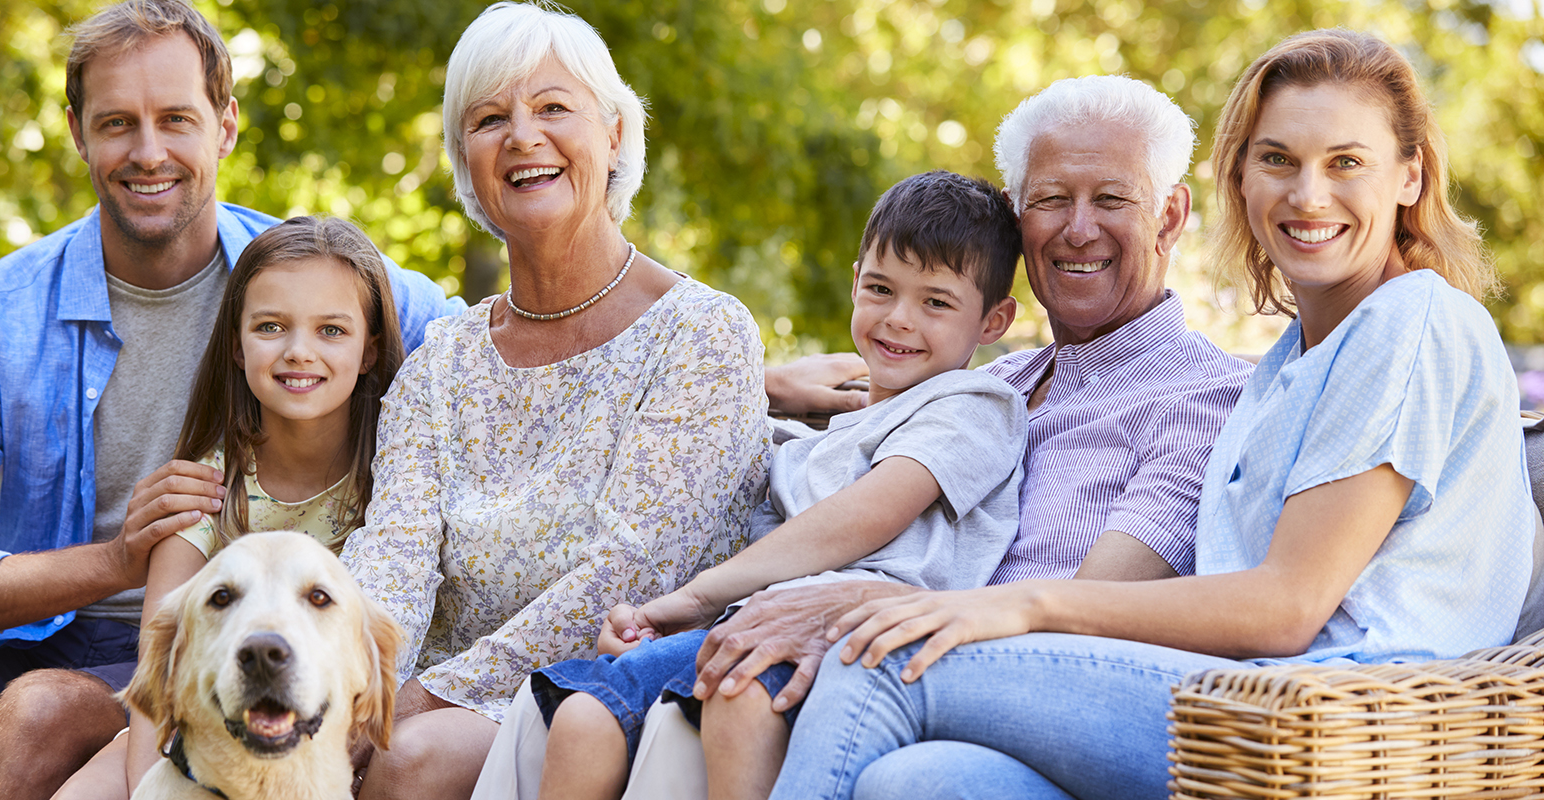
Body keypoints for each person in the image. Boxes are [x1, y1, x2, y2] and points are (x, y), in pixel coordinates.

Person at [770, 29, 1531, 800]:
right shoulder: (1291, 364)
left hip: (1334, 724)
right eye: (1276, 159)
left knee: (880, 664)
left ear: (1410, 175)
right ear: (1242, 180)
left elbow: (1289, 605)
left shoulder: (1411, 319)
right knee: (918, 783)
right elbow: (903, 384)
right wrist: (779, 382)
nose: (1307, 195)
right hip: (1236, 702)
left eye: (1346, 163)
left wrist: (1018, 603)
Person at [474, 74, 1253, 800]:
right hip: (850, 641)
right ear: (1020, 219)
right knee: (582, 706)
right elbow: (810, 446)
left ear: (1172, 215)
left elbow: (1091, 606)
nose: (1079, 228)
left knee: (798, 724)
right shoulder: (975, 377)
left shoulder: (1204, 397)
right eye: (1051, 200)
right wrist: (769, 382)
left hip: (998, 686)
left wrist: (867, 606)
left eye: (1112, 199)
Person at [0, 2, 462, 798]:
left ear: (224, 126)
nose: (148, 151)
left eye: (176, 119)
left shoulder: (298, 280)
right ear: (77, 131)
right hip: (37, 640)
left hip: (227, 642)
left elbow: (483, 350)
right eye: (118, 122)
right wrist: (114, 561)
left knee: (42, 709)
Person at [338, 4, 771, 799]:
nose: (522, 137)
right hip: (422, 694)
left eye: (552, 108)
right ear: (465, 161)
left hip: (596, 690)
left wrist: (415, 704)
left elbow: (633, 573)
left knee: (409, 762)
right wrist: (353, 697)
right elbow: (389, 563)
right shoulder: (441, 364)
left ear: (612, 133)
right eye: (490, 118)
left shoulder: (703, 336)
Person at [526, 171, 1025, 800]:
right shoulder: (806, 442)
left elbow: (868, 515)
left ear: (994, 320)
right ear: (854, 283)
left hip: (861, 632)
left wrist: (689, 599)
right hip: (750, 622)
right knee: (582, 714)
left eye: (936, 302)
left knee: (739, 694)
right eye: (880, 288)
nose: (899, 319)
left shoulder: (977, 404)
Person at [40, 215, 406, 798]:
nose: (298, 352)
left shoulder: (400, 475)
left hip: (333, 746)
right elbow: (161, 672)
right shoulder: (203, 487)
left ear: (370, 351)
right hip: (200, 747)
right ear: (237, 347)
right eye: (270, 326)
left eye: (332, 330)